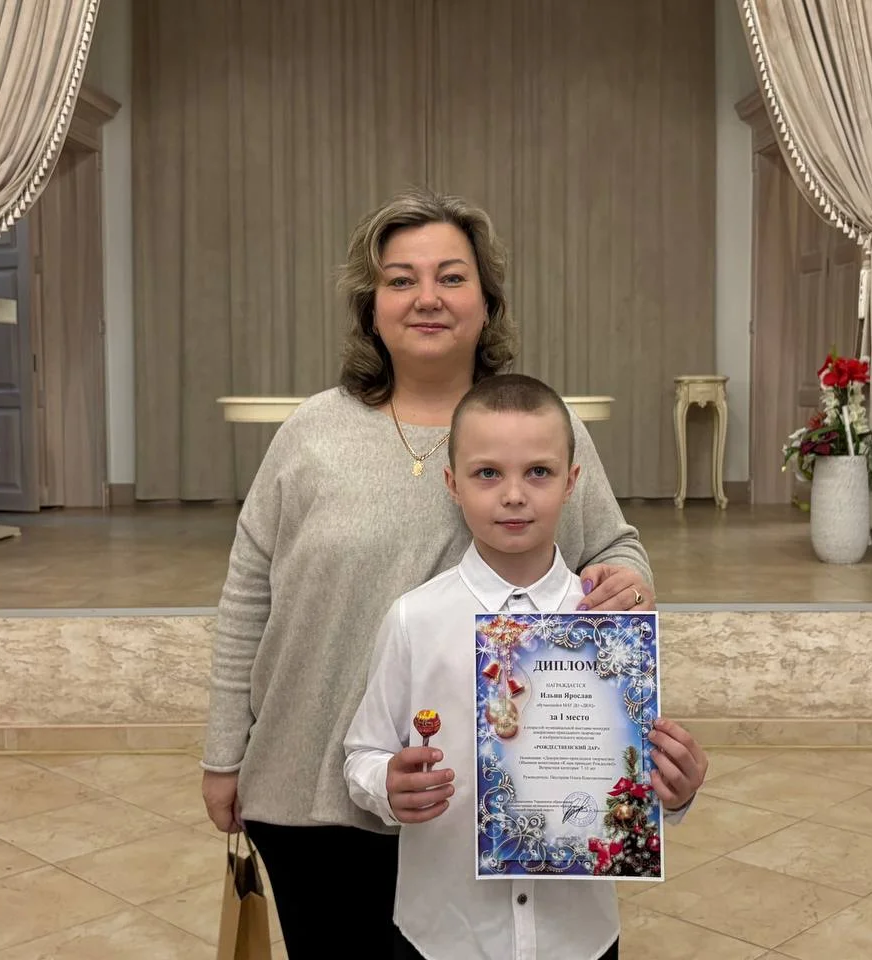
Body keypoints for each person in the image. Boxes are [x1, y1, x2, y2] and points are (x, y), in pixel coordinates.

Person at [200, 188, 656, 959]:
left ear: (487, 301)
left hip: (471, 799)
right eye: (400, 280)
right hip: (308, 786)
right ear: (371, 307)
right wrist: (223, 755)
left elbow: (614, 546)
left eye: (451, 276)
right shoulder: (310, 433)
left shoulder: (532, 426)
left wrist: (627, 584)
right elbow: (247, 596)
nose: (427, 297)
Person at [344, 374, 709, 960]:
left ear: (572, 482)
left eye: (538, 471)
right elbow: (363, 752)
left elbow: (626, 770)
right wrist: (386, 785)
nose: (513, 494)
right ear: (452, 484)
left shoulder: (608, 624)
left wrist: (675, 791)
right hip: (442, 936)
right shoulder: (414, 618)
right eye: (488, 473)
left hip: (579, 939)